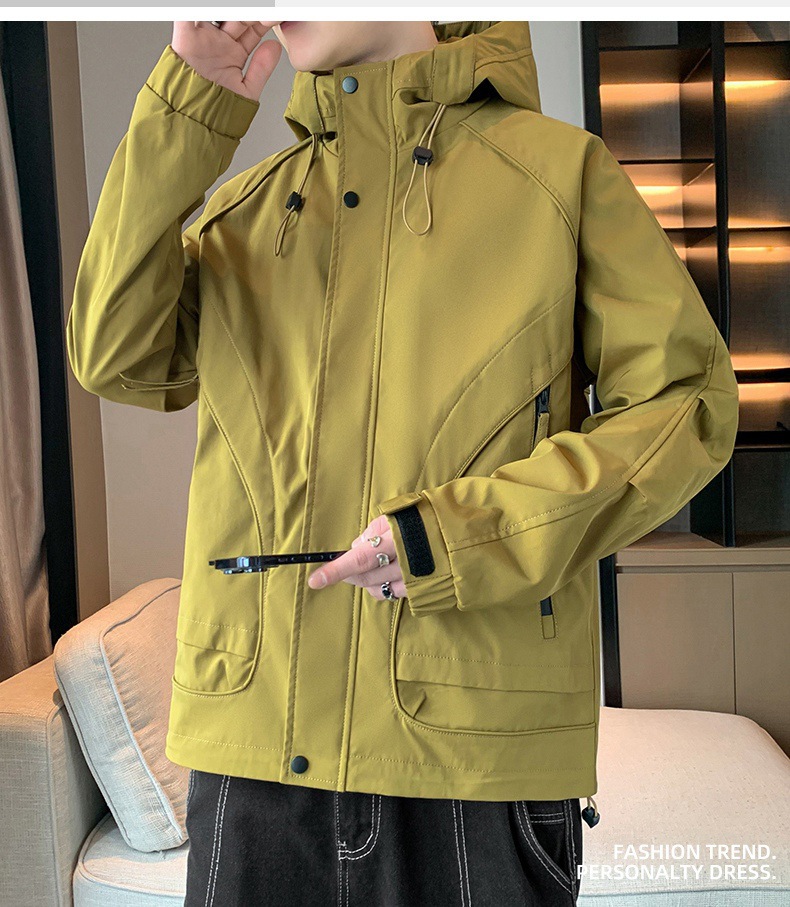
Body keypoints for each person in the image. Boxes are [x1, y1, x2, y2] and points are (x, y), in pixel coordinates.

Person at [66, 19, 740, 907]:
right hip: (256, 766)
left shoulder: (559, 177)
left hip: (472, 765)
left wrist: (457, 538)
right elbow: (116, 354)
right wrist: (187, 108)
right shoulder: (248, 210)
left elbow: (685, 403)